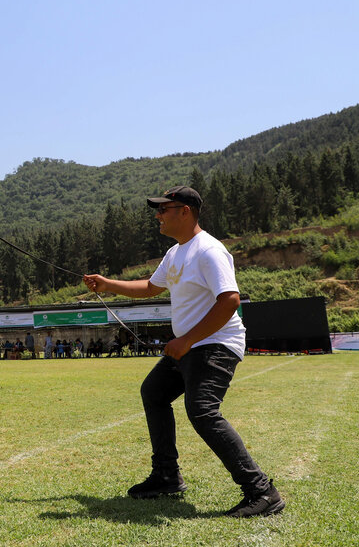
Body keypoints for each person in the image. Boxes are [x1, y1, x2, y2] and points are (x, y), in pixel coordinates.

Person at [83, 186, 283, 518]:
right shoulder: (176, 253)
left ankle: (261, 491)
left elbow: (230, 300)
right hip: (192, 345)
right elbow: (150, 287)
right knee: (154, 393)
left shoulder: (209, 251)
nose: (158, 216)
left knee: (202, 411)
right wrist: (108, 285)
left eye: (164, 209)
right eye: (157, 210)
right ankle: (166, 476)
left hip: (214, 345)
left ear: (185, 211)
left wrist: (187, 340)